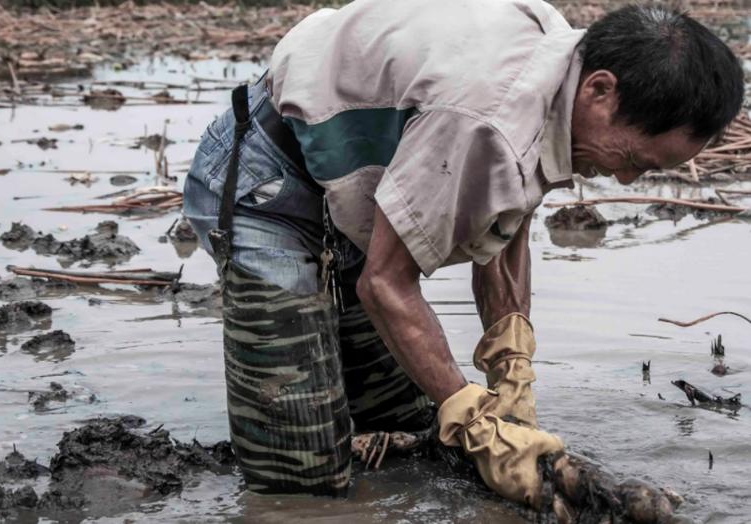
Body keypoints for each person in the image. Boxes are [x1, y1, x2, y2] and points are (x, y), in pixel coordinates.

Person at [183, 0, 743, 506]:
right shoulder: (488, 117)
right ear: (601, 89)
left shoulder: (561, 78)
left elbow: (504, 229)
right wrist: (481, 425)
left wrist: (511, 368)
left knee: (411, 430)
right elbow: (385, 284)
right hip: (270, 182)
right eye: (634, 160)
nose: (624, 177)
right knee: (303, 479)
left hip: (356, 194)